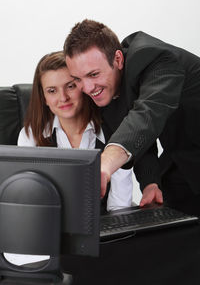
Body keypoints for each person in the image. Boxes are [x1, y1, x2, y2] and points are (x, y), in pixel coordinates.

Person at [63, 19, 200, 216]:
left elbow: (147, 116)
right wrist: (150, 183)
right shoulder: (106, 91)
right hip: (183, 161)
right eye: (78, 79)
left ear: (118, 59)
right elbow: (138, 140)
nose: (87, 88)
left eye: (93, 74)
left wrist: (104, 164)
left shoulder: (155, 58)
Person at [18, 51, 134, 212]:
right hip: (51, 226)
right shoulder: (31, 135)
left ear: (83, 86)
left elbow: (120, 204)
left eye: (70, 86)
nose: (63, 97)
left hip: (104, 226)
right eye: (52, 91)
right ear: (43, 97)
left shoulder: (115, 130)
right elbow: (29, 199)